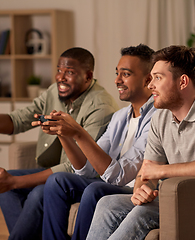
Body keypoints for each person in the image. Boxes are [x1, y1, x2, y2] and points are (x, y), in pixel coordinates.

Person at [0, 47, 119, 240]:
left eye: (69, 72)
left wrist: (14, 181)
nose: (61, 77)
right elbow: (15, 121)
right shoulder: (53, 92)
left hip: (83, 178)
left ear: (88, 76)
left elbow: (79, 167)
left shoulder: (101, 108)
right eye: (59, 70)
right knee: (5, 188)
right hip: (58, 173)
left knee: (34, 193)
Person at [86, 45, 195, 240]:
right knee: (108, 204)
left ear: (183, 81)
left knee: (144, 213)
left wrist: (163, 172)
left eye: (158, 78)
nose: (150, 85)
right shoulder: (161, 119)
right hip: (184, 198)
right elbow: (148, 172)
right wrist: (142, 190)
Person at [39, 44, 157, 240]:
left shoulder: (158, 118)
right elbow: (86, 169)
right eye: (117, 73)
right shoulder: (120, 117)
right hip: (109, 182)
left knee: (96, 189)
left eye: (125, 74)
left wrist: (78, 132)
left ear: (148, 79)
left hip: (131, 190)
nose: (117, 80)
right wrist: (63, 133)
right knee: (57, 181)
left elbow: (118, 177)